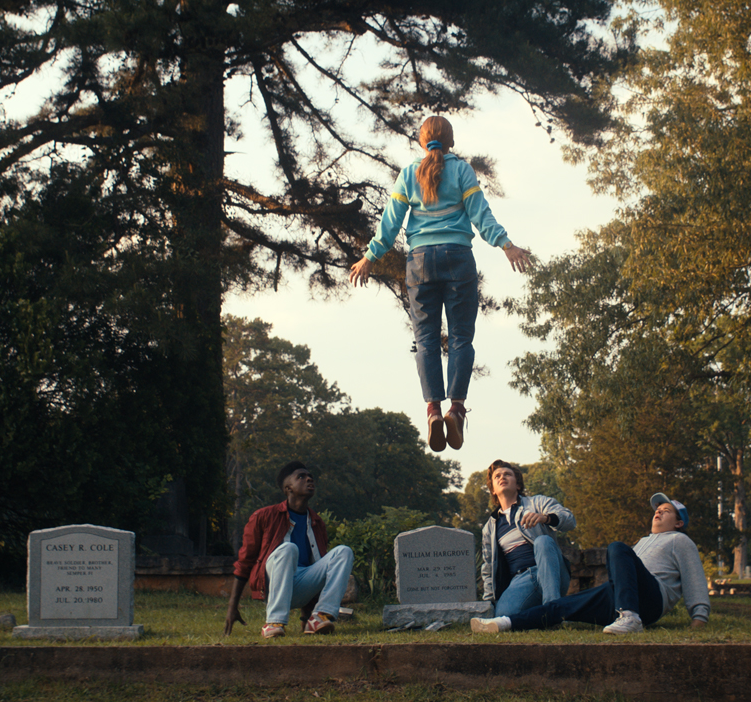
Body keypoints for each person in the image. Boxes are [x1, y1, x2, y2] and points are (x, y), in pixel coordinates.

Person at [349, 115, 534, 452]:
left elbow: (390, 224)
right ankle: (457, 409)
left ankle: (433, 410)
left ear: (423, 142)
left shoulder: (408, 175)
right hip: (458, 258)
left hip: (419, 262)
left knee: (426, 340)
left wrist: (370, 257)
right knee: (461, 337)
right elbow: (480, 213)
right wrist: (506, 245)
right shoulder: (462, 170)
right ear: (451, 141)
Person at [471, 493, 709, 635]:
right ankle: (503, 623)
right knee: (561, 607)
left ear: (678, 523)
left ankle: (630, 618)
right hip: (619, 597)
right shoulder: (643, 542)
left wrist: (699, 618)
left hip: (651, 599)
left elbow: (694, 578)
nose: (658, 512)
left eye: (665, 511)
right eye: (657, 509)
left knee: (616, 547)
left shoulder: (680, 541)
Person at [224, 462, 355, 639]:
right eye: (301, 476)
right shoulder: (263, 516)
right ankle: (274, 622)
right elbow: (245, 562)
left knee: (343, 552)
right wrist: (232, 607)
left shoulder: (317, 522)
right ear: (288, 488)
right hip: (273, 585)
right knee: (288, 548)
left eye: (310, 477)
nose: (309, 479)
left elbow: (314, 564)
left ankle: (319, 617)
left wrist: (305, 616)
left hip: (301, 587)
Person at [480, 460, 575, 617]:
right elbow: (488, 568)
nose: (502, 477)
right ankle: (540, 614)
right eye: (497, 476)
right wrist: (489, 603)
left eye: (507, 474)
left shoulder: (537, 503)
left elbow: (569, 520)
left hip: (551, 571)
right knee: (503, 615)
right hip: (521, 580)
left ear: (517, 485)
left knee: (542, 541)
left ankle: (553, 610)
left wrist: (545, 518)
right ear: (493, 491)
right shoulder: (490, 528)